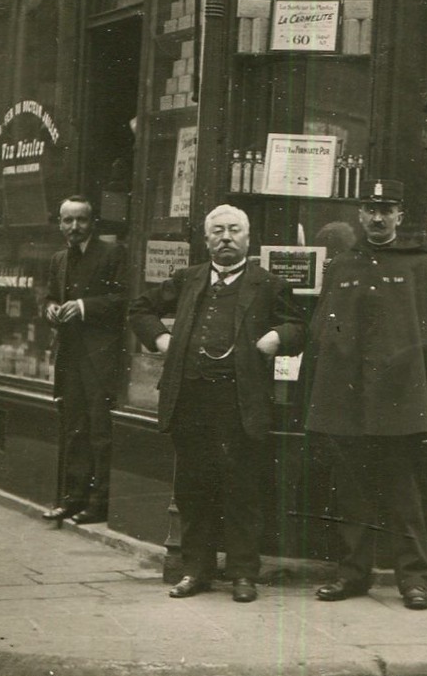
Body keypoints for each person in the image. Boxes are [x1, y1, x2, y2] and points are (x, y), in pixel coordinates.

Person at [305, 179, 427, 611]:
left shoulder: (421, 266)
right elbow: (324, 331)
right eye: (370, 208)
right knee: (351, 492)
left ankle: (413, 580)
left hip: (399, 401)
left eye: (387, 209)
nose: (378, 217)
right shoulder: (342, 265)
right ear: (359, 213)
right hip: (348, 399)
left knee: (402, 493)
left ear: (400, 215)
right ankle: (352, 574)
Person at [129, 204, 303, 605]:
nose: (226, 237)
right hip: (191, 400)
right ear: (206, 239)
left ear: (248, 239)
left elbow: (299, 326)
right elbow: (140, 308)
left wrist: (276, 337)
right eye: (218, 231)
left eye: (234, 230)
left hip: (239, 403)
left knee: (242, 489)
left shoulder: (268, 283)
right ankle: (196, 571)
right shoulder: (187, 279)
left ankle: (244, 575)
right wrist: (161, 341)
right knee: (193, 489)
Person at [40, 195, 129, 525]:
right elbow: (51, 295)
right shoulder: (59, 259)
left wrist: (84, 306)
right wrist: (50, 308)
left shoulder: (112, 253)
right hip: (70, 356)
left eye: (81, 220)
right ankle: (71, 500)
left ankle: (98, 504)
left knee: (99, 430)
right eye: (68, 220)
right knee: (74, 428)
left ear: (93, 222)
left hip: (100, 356)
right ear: (60, 223)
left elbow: (122, 298)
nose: (74, 227)